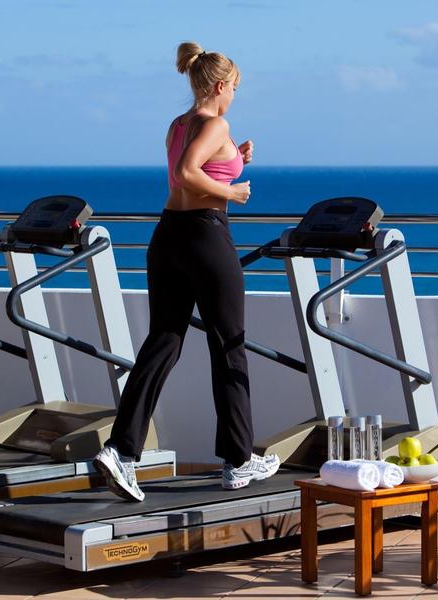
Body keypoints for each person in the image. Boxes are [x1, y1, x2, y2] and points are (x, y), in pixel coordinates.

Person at [93, 42, 280, 502]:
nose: (234, 95)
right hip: (204, 236)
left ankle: (121, 451)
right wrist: (233, 192)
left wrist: (237, 158)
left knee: (164, 342)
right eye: (234, 88)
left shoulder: (179, 124)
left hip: (168, 237)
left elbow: (194, 167)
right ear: (220, 86)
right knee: (229, 345)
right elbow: (186, 172)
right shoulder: (217, 124)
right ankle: (238, 460)